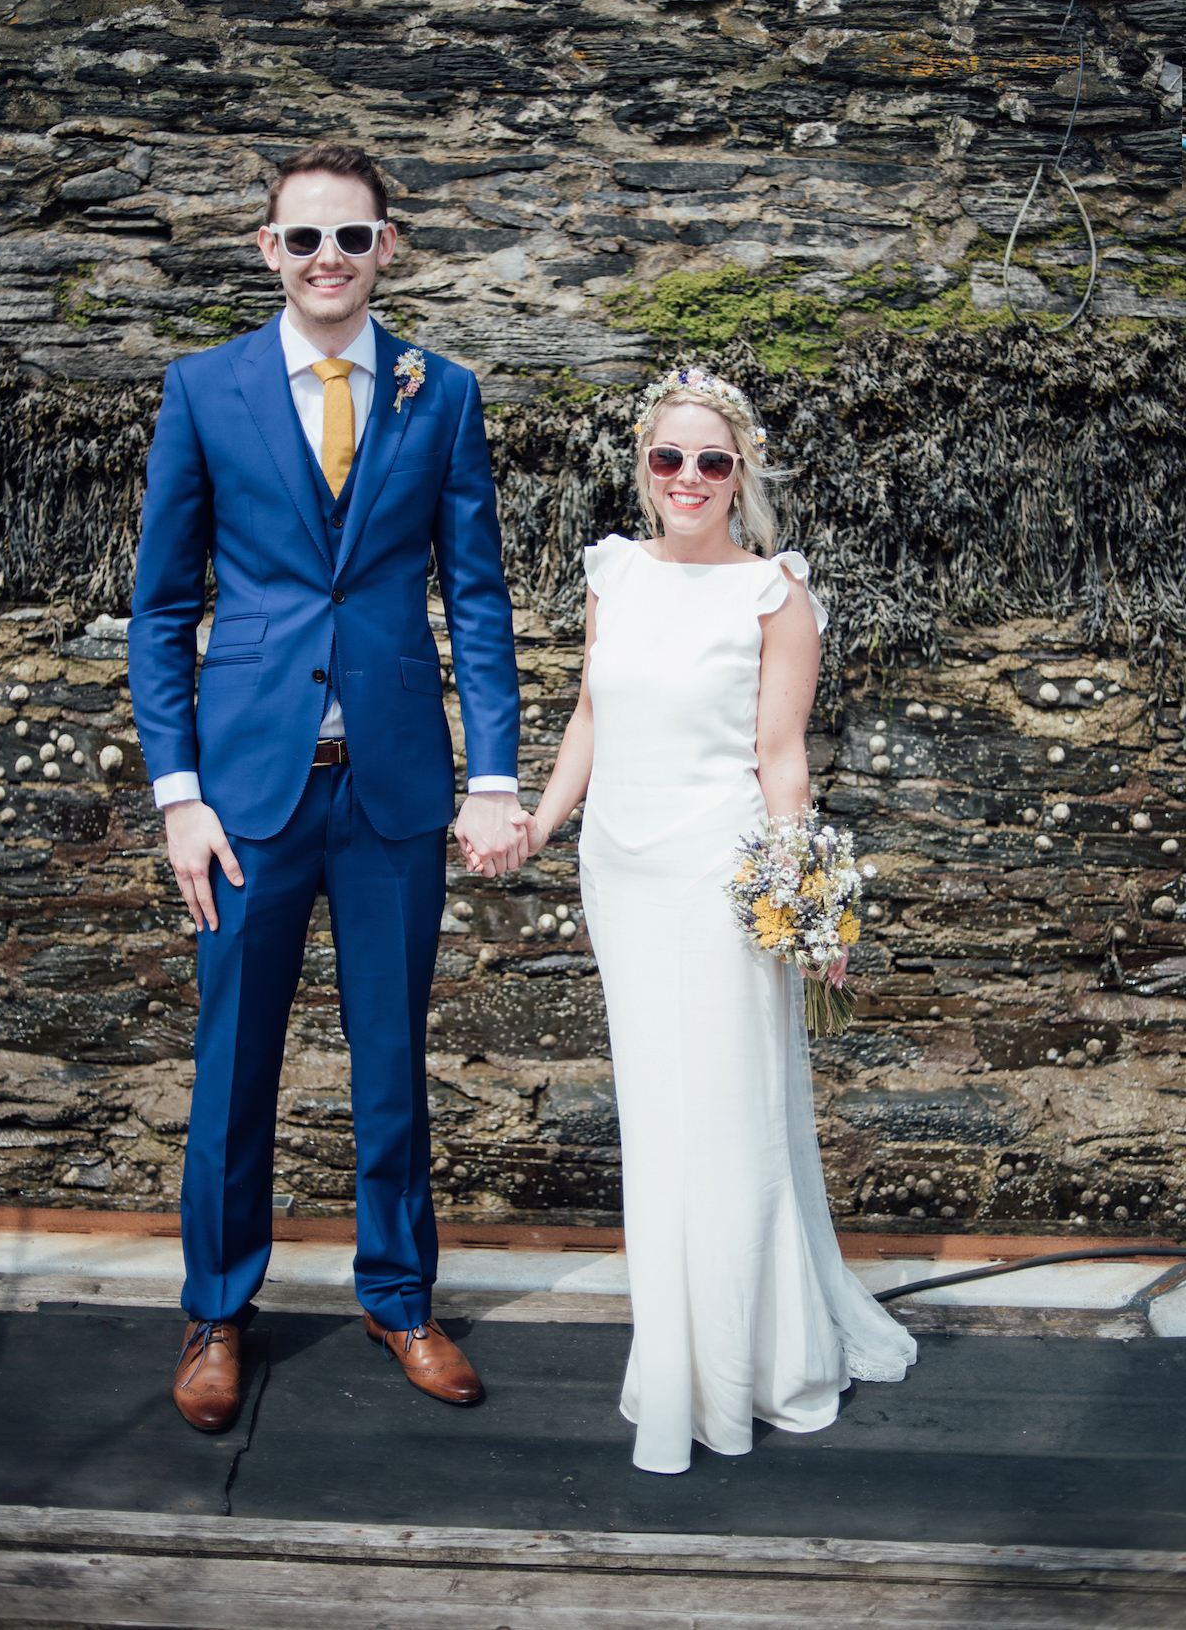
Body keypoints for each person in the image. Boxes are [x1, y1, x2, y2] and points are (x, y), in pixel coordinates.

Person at [128, 142, 526, 1432]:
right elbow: (160, 609)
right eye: (304, 240)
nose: (329, 262)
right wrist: (178, 788)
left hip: (395, 787)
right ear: (268, 251)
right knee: (233, 1060)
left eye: (351, 238)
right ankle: (216, 1311)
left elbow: (473, 594)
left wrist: (495, 772)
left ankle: (400, 1296)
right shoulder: (204, 389)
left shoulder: (441, 391)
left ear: (388, 248)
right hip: (245, 793)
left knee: (392, 1058)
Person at [519, 367, 916, 1473]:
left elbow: (781, 759)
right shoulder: (612, 573)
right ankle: (677, 1346)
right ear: (643, 469)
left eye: (711, 461)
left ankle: (753, 1359)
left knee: (733, 1114)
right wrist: (545, 822)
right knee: (658, 1116)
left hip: (718, 872)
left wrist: (806, 903)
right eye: (668, 458)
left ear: (740, 476)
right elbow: (590, 712)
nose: (687, 478)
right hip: (622, 870)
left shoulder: (775, 594)